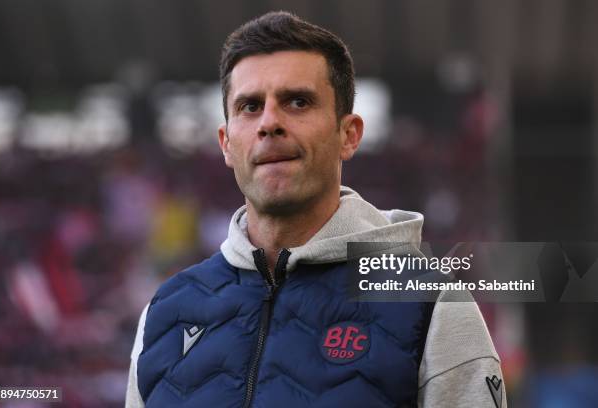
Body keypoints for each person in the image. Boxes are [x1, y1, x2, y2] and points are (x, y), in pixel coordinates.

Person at [126, 11, 506, 407]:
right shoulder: (164, 313)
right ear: (225, 143)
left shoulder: (432, 304)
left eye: (297, 102)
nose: (269, 122)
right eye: (250, 106)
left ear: (349, 135)